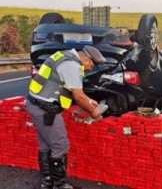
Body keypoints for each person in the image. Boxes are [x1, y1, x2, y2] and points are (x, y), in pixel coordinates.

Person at [26, 45, 108, 189]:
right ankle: (61, 185)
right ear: (85, 58)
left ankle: (47, 182)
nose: (91, 68)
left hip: (36, 104)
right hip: (46, 109)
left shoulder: (63, 55)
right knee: (60, 145)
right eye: (92, 64)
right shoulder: (72, 65)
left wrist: (89, 101)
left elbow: (71, 90)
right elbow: (79, 97)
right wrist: (94, 113)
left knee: (46, 145)